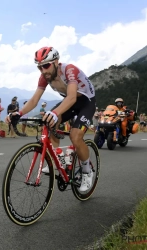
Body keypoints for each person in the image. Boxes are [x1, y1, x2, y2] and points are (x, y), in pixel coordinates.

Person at [7, 46, 96, 192]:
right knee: (49, 121)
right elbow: (35, 100)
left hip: (86, 102)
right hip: (70, 101)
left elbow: (72, 97)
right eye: (40, 67)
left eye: (46, 66)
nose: (43, 71)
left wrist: (55, 113)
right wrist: (19, 113)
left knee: (75, 136)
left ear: (56, 62)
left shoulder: (69, 70)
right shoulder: (44, 77)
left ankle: (87, 171)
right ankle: (59, 157)